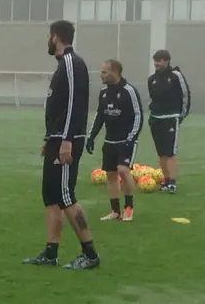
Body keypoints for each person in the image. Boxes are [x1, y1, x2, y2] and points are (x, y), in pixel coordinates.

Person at [23, 20, 100, 270]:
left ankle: (90, 254)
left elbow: (74, 105)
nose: (48, 39)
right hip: (57, 139)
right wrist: (50, 139)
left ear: (56, 37)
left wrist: (66, 139)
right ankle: (50, 252)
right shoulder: (62, 66)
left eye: (49, 35)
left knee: (66, 195)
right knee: (51, 194)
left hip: (68, 140)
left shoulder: (71, 62)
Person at [86, 59, 143, 222]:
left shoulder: (129, 91)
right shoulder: (104, 93)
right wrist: (91, 137)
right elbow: (99, 116)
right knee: (111, 175)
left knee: (123, 170)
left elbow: (138, 115)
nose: (101, 75)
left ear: (115, 72)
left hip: (126, 140)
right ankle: (115, 211)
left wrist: (131, 138)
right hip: (109, 141)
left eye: (104, 72)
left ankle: (129, 208)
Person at [147, 50, 190, 194]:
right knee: (161, 153)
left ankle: (172, 183)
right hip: (155, 119)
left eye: (159, 61)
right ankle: (165, 181)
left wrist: (180, 116)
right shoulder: (152, 79)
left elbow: (185, 96)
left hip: (170, 119)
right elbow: (152, 99)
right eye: (155, 61)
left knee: (170, 152)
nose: (156, 64)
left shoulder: (176, 76)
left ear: (167, 61)